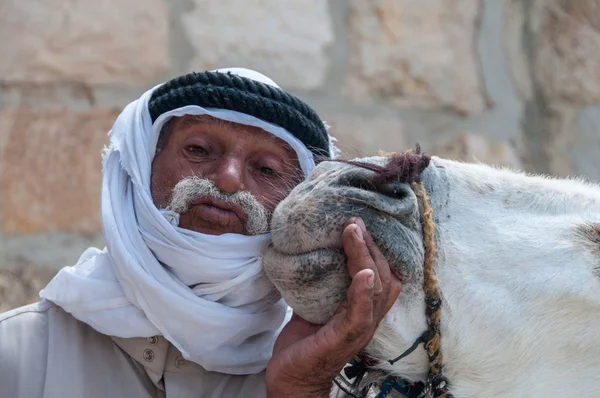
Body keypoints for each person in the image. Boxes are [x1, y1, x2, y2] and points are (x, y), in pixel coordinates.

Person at [0, 68, 400, 398]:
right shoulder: (19, 352)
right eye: (198, 149)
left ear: (295, 203)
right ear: (142, 165)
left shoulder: (331, 374)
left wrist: (301, 389)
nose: (227, 180)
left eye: (266, 169)